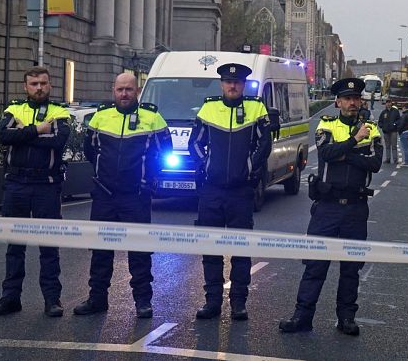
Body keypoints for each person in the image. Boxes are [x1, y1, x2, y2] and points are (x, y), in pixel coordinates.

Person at [279, 77, 382, 336]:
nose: (352, 103)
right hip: (327, 207)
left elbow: (375, 164)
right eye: (347, 99)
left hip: (356, 209)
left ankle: (346, 318)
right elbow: (325, 154)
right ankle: (302, 316)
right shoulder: (327, 124)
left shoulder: (372, 128)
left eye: (356, 99)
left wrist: (344, 154)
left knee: (351, 268)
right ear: (337, 102)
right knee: (315, 265)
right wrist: (355, 143)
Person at [73, 73, 171, 319]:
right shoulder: (101, 116)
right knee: (100, 250)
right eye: (120, 89)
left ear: (137, 91)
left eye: (129, 89)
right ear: (113, 90)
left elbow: (165, 151)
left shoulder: (152, 117)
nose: (124, 94)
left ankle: (142, 302)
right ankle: (97, 299)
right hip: (105, 195)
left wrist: (147, 181)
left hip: (135, 196)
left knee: (139, 250)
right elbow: (90, 148)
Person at [187, 63, 272, 321]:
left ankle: (238, 303)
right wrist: (206, 165)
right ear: (221, 84)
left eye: (236, 82)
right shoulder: (209, 107)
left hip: (240, 192)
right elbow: (195, 144)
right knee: (210, 248)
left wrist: (248, 168)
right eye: (227, 81)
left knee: (241, 249)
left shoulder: (256, 108)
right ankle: (212, 302)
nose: (232, 85)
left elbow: (264, 144)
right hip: (211, 191)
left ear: (243, 84)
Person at [0, 66, 71, 317]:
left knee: (48, 245)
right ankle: (10, 298)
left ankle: (52, 300)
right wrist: (38, 130)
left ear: (50, 85)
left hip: (46, 185)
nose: (39, 88)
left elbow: (57, 142)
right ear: (25, 87)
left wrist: (23, 133)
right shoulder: (14, 109)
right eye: (34, 84)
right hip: (16, 184)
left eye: (43, 83)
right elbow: (4, 135)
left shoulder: (59, 111)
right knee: (15, 245)